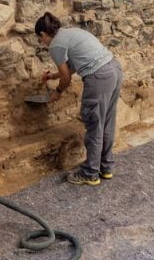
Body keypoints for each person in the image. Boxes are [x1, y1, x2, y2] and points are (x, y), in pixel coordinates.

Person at [35, 12, 123, 186]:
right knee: (106, 122)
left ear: (43, 35)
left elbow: (66, 78)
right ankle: (106, 168)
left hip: (99, 78)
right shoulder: (71, 33)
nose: (42, 43)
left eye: (40, 39)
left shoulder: (55, 46)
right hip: (114, 69)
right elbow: (75, 64)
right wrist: (53, 76)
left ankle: (90, 173)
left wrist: (57, 92)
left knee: (94, 124)